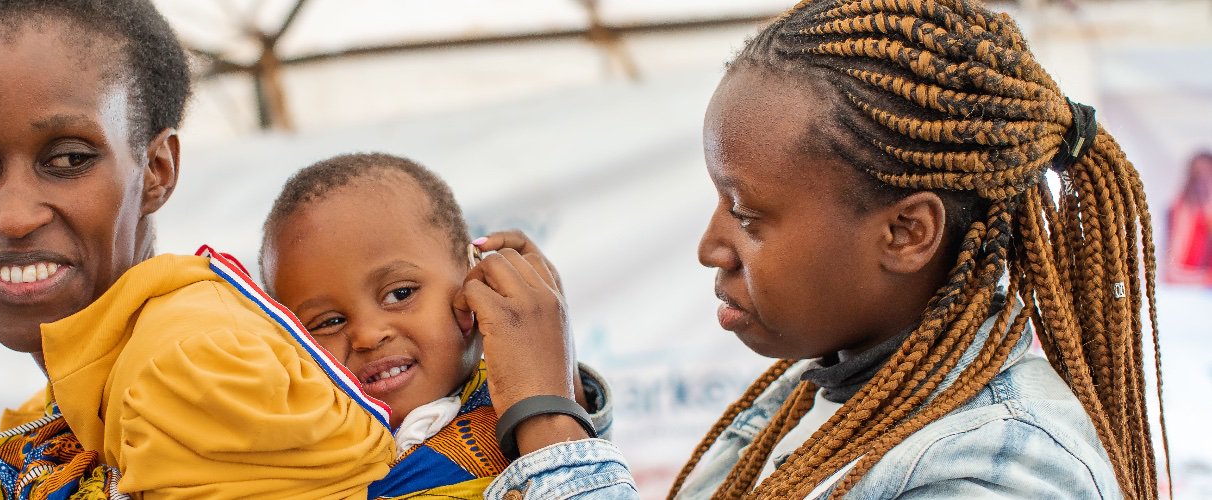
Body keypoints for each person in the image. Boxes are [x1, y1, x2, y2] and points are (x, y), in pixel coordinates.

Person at [466, 0, 1169, 498]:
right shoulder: (825, 393)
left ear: (906, 233)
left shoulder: (1003, 466)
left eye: (747, 216)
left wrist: (549, 420)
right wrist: (553, 406)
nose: (711, 247)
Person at [0, 1, 393, 498]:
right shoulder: (77, 398)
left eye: (70, 159)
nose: (13, 217)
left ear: (156, 170)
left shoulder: (191, 371)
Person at [258, 153, 613, 499]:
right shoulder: (292, 463)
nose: (367, 335)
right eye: (329, 322)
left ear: (473, 279)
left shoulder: (523, 414)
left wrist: (555, 387)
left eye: (400, 294)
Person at [1166, 152, 1212, 284]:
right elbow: (1172, 271)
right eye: (1197, 175)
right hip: (1185, 286)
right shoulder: (1180, 209)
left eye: (1207, 175)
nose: (1202, 182)